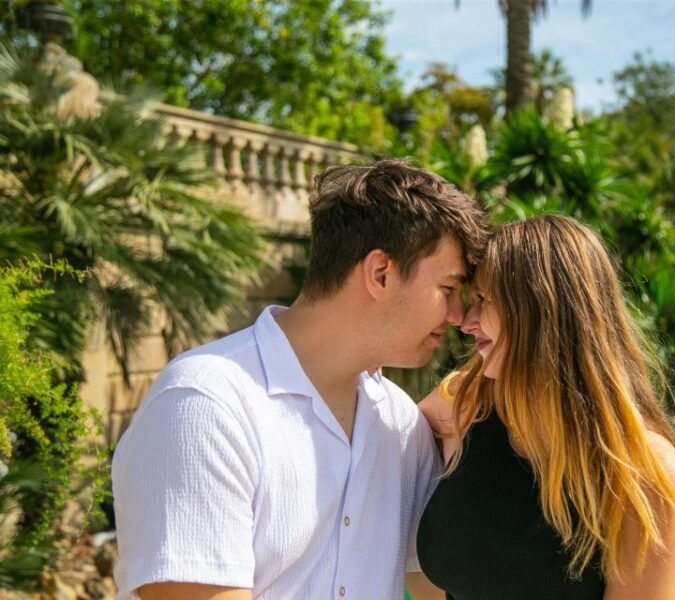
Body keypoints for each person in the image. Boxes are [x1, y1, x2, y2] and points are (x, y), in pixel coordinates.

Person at [112, 158, 489, 600]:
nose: (459, 316)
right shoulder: (205, 403)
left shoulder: (401, 425)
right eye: (447, 289)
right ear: (380, 273)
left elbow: (435, 585)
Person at [415, 215, 675, 600]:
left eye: (484, 301)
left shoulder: (642, 472)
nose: (466, 322)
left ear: (541, 312)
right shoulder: (464, 409)